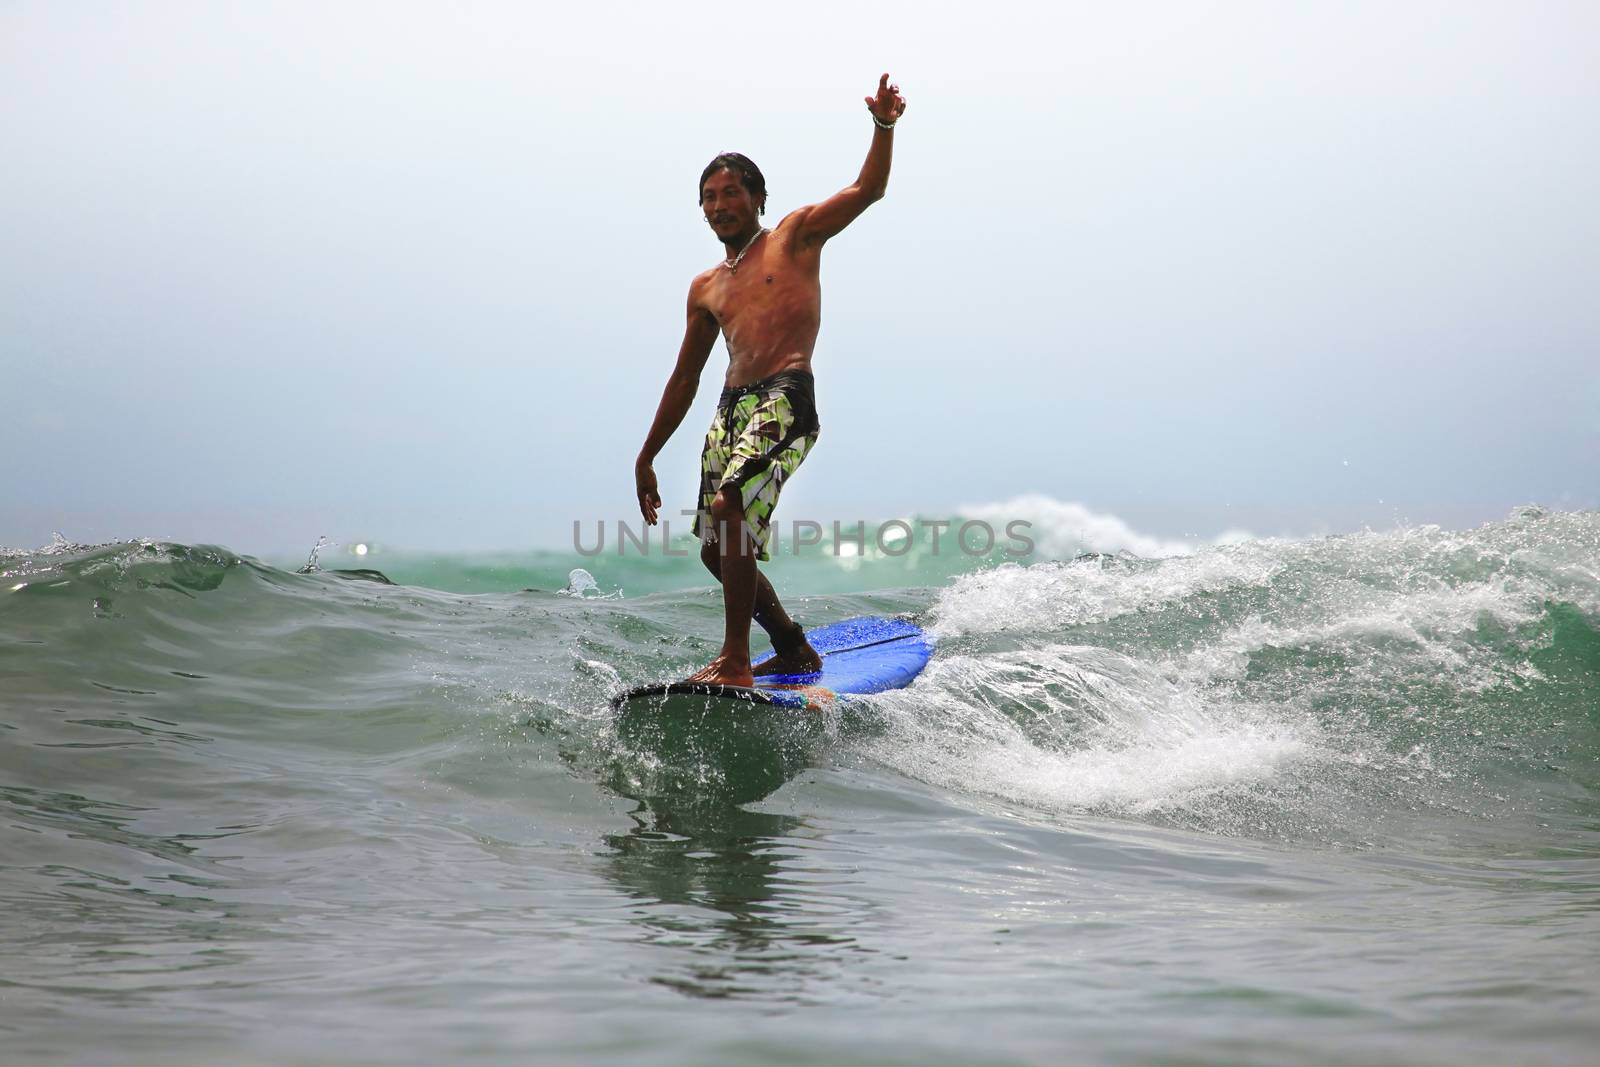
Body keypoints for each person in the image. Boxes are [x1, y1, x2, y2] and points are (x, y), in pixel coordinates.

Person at [633, 74, 908, 687]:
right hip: (731, 408)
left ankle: (734, 662)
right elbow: (685, 377)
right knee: (713, 546)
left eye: (730, 193)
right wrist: (647, 455)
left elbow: (869, 189)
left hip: (787, 395)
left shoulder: (794, 236)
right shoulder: (706, 287)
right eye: (707, 196)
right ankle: (790, 646)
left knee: (731, 509)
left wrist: (883, 126)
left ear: (757, 197)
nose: (718, 205)